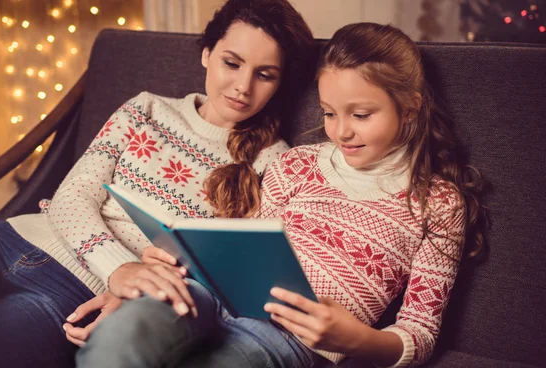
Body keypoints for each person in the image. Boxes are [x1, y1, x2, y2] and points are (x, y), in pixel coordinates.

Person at [75, 22, 485, 368]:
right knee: (125, 332)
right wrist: (180, 257)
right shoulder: (297, 164)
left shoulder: (439, 203)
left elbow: (420, 330)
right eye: (328, 112)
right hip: (209, 295)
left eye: (361, 115)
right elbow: (242, 245)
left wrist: (356, 339)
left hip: (288, 340)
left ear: (410, 109)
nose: (341, 131)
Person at [0, 0, 315, 368]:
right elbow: (73, 195)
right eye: (232, 63)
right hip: (9, 239)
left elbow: (227, 270)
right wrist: (119, 267)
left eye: (264, 75)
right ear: (207, 53)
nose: (243, 86)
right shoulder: (145, 109)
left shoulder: (277, 162)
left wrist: (131, 294)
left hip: (75, 292)